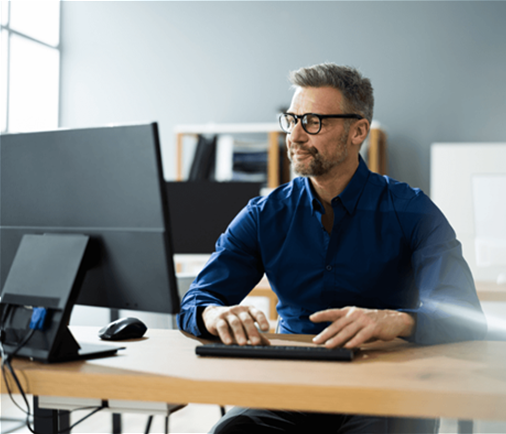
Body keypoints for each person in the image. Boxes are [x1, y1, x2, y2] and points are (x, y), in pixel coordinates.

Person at [177, 63, 486, 433]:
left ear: (358, 131)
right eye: (291, 119)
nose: (294, 135)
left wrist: (394, 320)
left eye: (313, 122)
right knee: (230, 432)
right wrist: (213, 315)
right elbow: (197, 300)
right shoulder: (264, 215)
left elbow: (465, 315)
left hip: (386, 384)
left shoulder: (412, 210)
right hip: (294, 385)